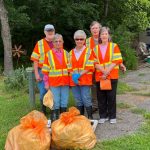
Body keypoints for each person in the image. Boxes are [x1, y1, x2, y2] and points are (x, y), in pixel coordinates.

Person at [94, 27, 123, 124]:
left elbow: (117, 60)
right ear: (99, 36)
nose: (104, 35)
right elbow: (94, 62)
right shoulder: (95, 48)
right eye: (102, 34)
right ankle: (103, 116)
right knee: (101, 97)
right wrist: (103, 71)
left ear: (109, 35)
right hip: (100, 76)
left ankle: (112, 116)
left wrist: (106, 72)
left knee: (111, 96)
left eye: (106, 34)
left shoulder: (114, 46)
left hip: (112, 75)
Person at [68, 30, 95, 119]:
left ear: (84, 40)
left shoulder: (89, 51)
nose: (79, 41)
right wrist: (74, 75)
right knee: (78, 100)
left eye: (81, 39)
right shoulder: (71, 53)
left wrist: (78, 75)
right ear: (74, 40)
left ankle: (90, 117)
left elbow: (90, 66)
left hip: (85, 79)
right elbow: (69, 66)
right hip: (74, 80)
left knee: (86, 99)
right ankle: (81, 118)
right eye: (77, 39)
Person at [42, 33, 69, 121]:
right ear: (53, 43)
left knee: (64, 101)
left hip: (65, 82)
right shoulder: (48, 54)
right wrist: (46, 83)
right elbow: (45, 71)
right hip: (54, 83)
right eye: (56, 41)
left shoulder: (66, 53)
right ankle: (55, 119)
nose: (58, 43)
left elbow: (70, 69)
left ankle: (63, 119)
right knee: (56, 101)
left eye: (59, 41)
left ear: (63, 42)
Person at [30, 24, 55, 114]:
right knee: (43, 92)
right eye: (48, 31)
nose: (50, 32)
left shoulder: (58, 41)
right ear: (45, 32)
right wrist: (36, 74)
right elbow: (35, 60)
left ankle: (53, 110)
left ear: (54, 31)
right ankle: (43, 110)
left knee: (54, 91)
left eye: (51, 30)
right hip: (42, 71)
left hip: (54, 71)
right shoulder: (39, 43)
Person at [86, 21, 102, 112]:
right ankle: (95, 105)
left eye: (96, 28)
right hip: (92, 68)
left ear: (100, 29)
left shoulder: (104, 38)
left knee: (104, 86)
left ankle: (104, 105)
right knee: (93, 87)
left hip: (103, 68)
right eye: (93, 28)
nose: (95, 30)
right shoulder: (87, 41)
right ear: (90, 30)